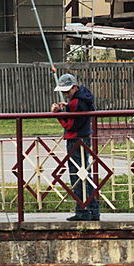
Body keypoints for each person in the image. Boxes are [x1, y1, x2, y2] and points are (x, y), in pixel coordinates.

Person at [51, 73, 100, 221]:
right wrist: (67, 109)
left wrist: (58, 114)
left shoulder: (76, 103)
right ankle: (92, 211)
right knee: (85, 175)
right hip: (85, 137)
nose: (65, 94)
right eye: (63, 92)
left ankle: (83, 212)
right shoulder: (84, 95)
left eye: (67, 91)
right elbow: (76, 113)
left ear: (74, 87)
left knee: (77, 177)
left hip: (75, 140)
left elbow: (70, 125)